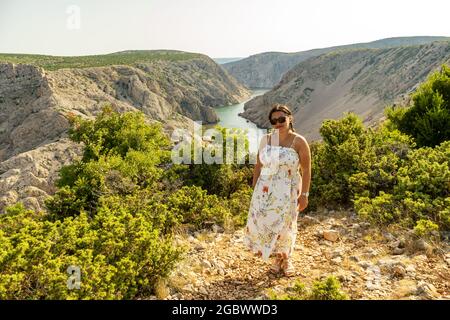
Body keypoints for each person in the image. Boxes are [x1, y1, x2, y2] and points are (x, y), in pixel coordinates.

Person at [244, 103, 311, 276]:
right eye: (274, 120)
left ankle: (286, 258)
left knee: (286, 224)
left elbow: (306, 169)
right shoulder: (266, 139)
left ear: (290, 118)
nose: (278, 123)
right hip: (265, 191)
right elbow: (258, 165)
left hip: (288, 189)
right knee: (269, 223)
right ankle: (276, 257)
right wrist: (255, 189)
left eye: (282, 119)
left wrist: (304, 194)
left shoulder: (299, 141)